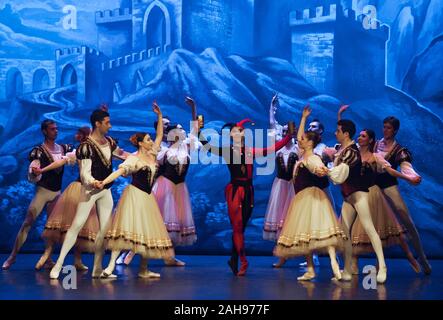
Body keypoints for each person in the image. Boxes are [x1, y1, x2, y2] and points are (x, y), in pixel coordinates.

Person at [200, 111, 293, 276]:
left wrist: (289, 136)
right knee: (237, 227)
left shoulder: (250, 151)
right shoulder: (227, 151)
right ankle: (243, 261)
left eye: (240, 130)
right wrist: (198, 127)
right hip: (235, 191)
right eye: (235, 131)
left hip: (249, 191)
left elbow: (272, 149)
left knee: (241, 228)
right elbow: (206, 145)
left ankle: (233, 258)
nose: (238, 133)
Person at [49, 108, 128, 279]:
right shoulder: (86, 147)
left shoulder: (110, 142)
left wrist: (142, 158)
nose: (110, 126)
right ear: (97, 124)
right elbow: (85, 173)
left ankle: (97, 268)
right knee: (77, 225)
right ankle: (59, 263)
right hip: (91, 190)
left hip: (105, 191)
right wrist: (94, 182)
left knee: (104, 230)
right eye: (107, 123)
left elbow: (123, 155)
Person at [100, 102, 175, 278]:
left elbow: (159, 135)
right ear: (141, 144)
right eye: (148, 140)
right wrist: (103, 182)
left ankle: (143, 269)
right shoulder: (134, 160)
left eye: (150, 139)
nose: (152, 141)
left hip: (148, 198)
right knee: (124, 233)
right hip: (134, 196)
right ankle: (110, 266)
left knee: (146, 233)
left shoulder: (153, 154)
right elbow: (119, 172)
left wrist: (159, 115)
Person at [274, 106, 345, 281]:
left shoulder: (312, 157)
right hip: (302, 198)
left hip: (312, 198)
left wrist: (323, 171)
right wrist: (303, 117)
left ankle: (336, 267)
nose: (300, 140)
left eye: (303, 139)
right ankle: (311, 269)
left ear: (310, 143)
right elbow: (298, 137)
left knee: (322, 233)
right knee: (306, 236)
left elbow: (317, 167)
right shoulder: (302, 154)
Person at [2, 120, 73, 270]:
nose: (56, 131)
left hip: (57, 193)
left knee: (51, 228)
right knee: (27, 223)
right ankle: (12, 256)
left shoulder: (64, 148)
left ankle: (47, 259)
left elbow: (78, 152)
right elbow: (34, 165)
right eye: (52, 129)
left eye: (56, 129)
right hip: (43, 192)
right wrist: (33, 170)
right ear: (44, 131)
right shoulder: (38, 151)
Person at [323, 119, 387, 283]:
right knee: (344, 234)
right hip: (348, 197)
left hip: (358, 195)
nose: (335, 133)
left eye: (338, 131)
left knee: (369, 228)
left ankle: (382, 266)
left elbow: (340, 174)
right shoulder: (342, 150)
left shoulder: (351, 152)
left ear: (345, 134)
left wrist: (326, 171)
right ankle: (348, 270)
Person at [36, 127, 100, 271]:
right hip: (78, 189)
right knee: (61, 224)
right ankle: (47, 254)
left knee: (82, 227)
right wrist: (42, 170)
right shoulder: (80, 151)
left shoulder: (98, 151)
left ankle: (77, 259)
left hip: (90, 190)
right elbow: (61, 162)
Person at [374, 116, 431, 275]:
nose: (385, 130)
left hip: (389, 187)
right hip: (374, 188)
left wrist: (412, 176)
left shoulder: (399, 150)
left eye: (389, 128)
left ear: (395, 130)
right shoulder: (375, 144)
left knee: (408, 222)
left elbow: (406, 167)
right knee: (376, 226)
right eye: (384, 127)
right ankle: (379, 264)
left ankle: (422, 257)